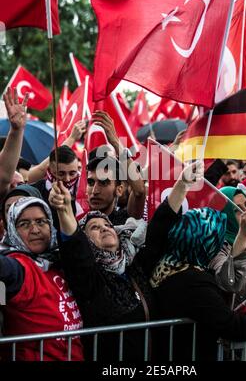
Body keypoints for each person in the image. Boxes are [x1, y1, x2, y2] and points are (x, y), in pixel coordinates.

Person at [148, 163, 246, 361]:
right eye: (215, 234)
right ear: (206, 245)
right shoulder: (194, 283)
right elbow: (235, 325)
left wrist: (183, 184)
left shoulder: (163, 261)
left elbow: (159, 226)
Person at [49, 180, 165, 361]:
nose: (104, 228)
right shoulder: (90, 277)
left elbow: (159, 229)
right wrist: (65, 210)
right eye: (94, 227)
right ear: (86, 241)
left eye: (108, 225)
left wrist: (182, 185)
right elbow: (75, 249)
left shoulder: (132, 265)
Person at [0, 197, 83, 361]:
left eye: (41, 221)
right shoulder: (20, 266)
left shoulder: (59, 262)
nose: (35, 230)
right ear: (12, 231)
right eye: (24, 224)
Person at [86, 111, 146, 224]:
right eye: (90, 182)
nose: (95, 191)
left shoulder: (124, 220)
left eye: (103, 183)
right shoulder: (76, 222)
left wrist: (115, 141)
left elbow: (139, 192)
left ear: (119, 189)